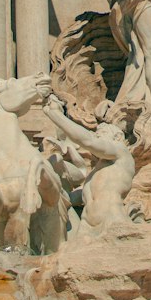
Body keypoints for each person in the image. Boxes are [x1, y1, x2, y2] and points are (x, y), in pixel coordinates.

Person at [43, 96, 135, 232]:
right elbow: (71, 198)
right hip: (86, 228)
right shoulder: (96, 172)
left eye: (101, 134)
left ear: (117, 137)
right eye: (96, 134)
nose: (97, 137)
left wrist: (55, 114)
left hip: (113, 223)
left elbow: (88, 141)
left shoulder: (122, 154)